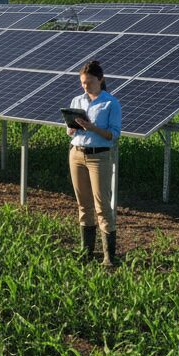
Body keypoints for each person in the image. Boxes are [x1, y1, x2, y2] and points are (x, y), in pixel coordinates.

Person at [66, 60, 122, 266]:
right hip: (76, 154)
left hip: (99, 157)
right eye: (82, 82)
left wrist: (91, 128)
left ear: (101, 80)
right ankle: (86, 252)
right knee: (83, 205)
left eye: (89, 82)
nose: (85, 86)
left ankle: (109, 257)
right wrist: (72, 128)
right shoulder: (77, 101)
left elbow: (114, 135)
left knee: (102, 206)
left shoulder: (110, 103)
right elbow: (68, 130)